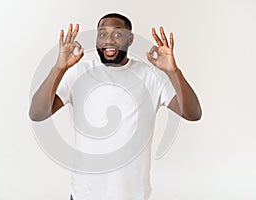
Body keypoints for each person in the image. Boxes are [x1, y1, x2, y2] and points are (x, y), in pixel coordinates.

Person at [29, 13, 202, 200]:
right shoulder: (79, 72)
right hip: (84, 195)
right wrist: (59, 68)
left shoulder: (150, 75)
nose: (109, 40)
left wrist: (173, 72)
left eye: (118, 34)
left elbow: (193, 113)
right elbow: (37, 113)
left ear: (130, 39)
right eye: (102, 34)